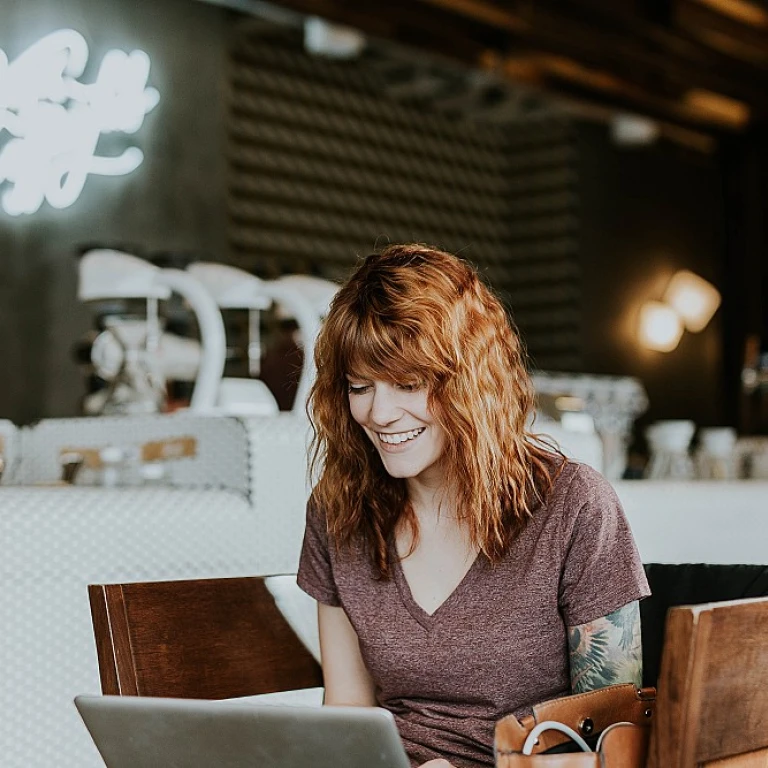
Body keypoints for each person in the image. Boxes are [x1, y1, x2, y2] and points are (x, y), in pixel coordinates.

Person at [297, 244, 650, 768]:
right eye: (360, 387)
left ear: (470, 382)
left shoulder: (573, 506)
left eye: (409, 384)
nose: (380, 413)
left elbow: (618, 744)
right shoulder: (338, 512)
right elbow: (346, 716)